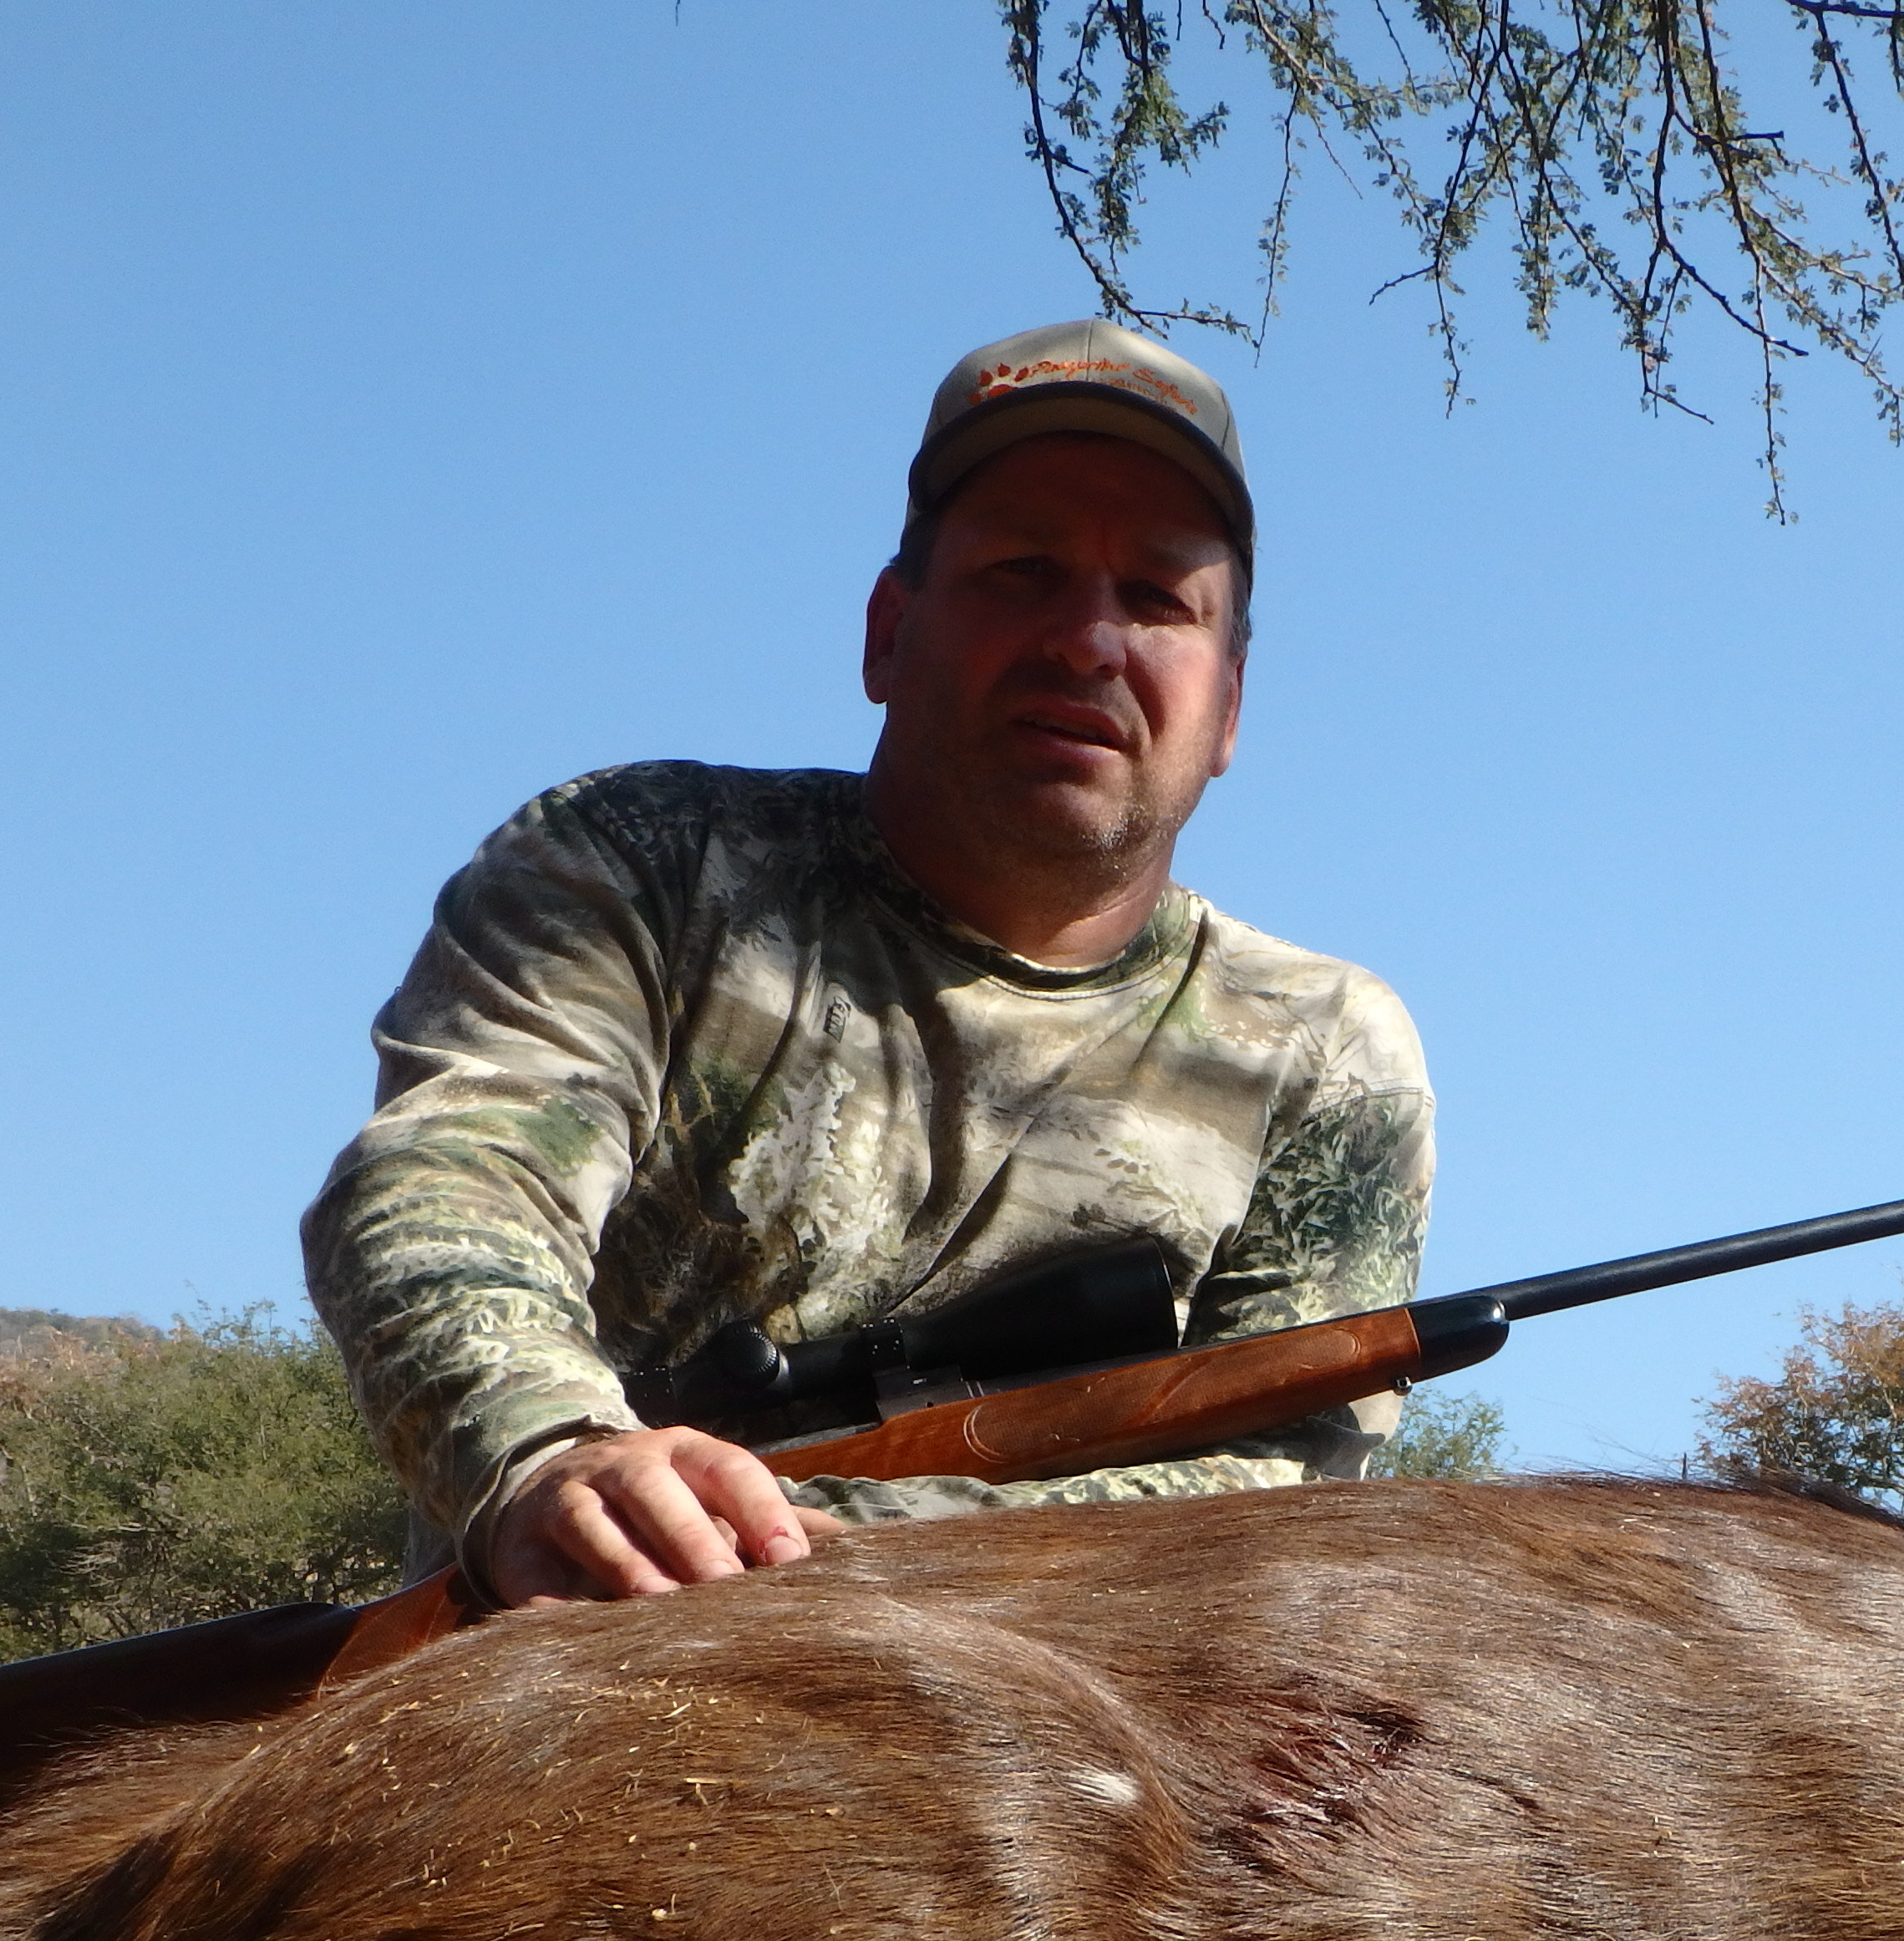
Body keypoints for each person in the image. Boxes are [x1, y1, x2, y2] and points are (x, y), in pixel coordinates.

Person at [303, 321, 1434, 1604]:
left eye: (1162, 599)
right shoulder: (638, 862)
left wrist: (818, 1543)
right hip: (584, 1664)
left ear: (1228, 708)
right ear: (888, 634)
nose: (1089, 641)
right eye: (1022, 571)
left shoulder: (1327, 1048)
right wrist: (555, 1454)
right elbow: (453, 1179)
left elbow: (1275, 1485)